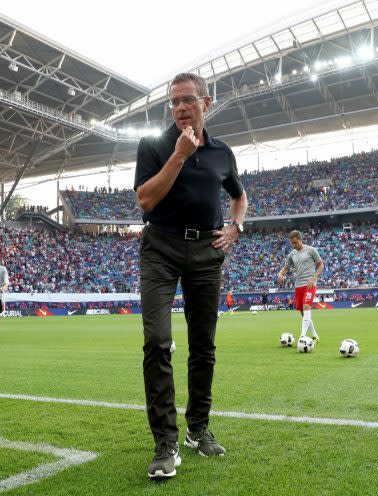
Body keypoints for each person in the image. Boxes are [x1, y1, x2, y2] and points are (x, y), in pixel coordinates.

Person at [134, 72, 248, 479]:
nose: (180, 107)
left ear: (206, 102)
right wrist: (179, 155)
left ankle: (198, 429)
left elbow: (239, 195)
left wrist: (235, 227)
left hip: (205, 251)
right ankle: (165, 440)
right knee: (157, 341)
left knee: (204, 345)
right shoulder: (153, 145)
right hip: (160, 249)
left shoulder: (222, 153)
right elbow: (145, 199)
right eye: (174, 101)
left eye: (188, 100)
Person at [277, 230, 324, 342]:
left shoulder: (311, 250)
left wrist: (313, 279)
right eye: (292, 243)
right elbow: (285, 268)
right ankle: (315, 336)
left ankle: (302, 336)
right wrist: (280, 274)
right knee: (303, 312)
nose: (293, 245)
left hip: (310, 284)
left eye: (295, 242)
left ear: (300, 240)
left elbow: (321, 265)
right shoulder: (292, 254)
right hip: (298, 285)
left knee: (307, 307)